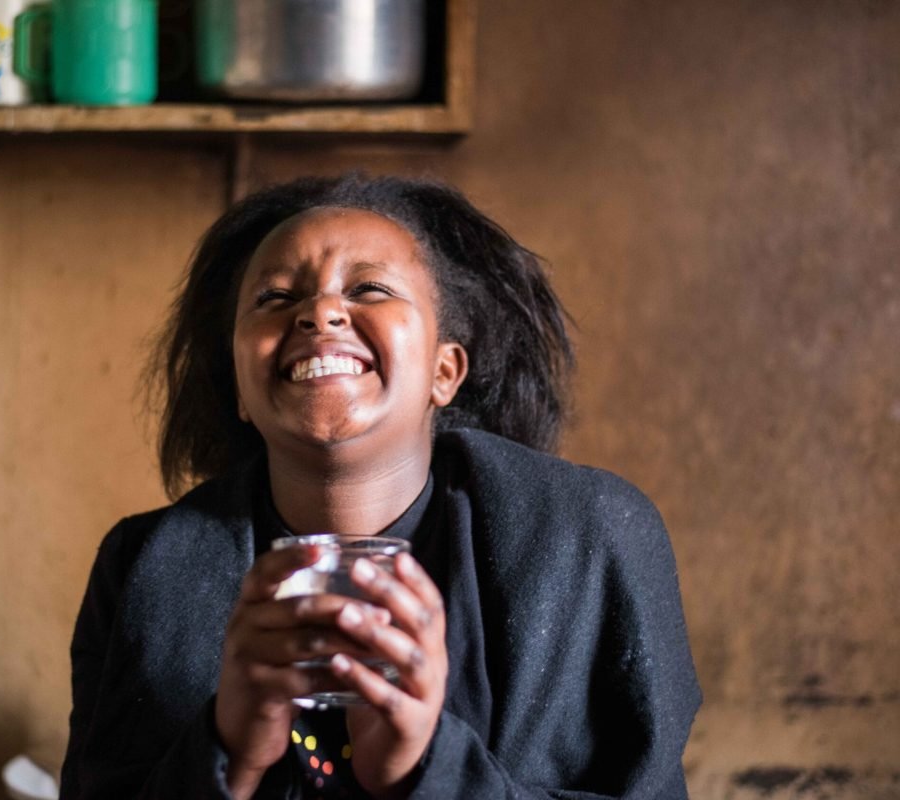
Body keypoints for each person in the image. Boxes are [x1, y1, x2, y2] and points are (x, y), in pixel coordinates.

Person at [60, 174, 702, 799]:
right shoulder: (140, 566)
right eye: (275, 299)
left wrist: (424, 769)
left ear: (444, 371)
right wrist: (229, 750)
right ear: (240, 391)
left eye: (368, 287)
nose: (320, 312)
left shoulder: (592, 539)